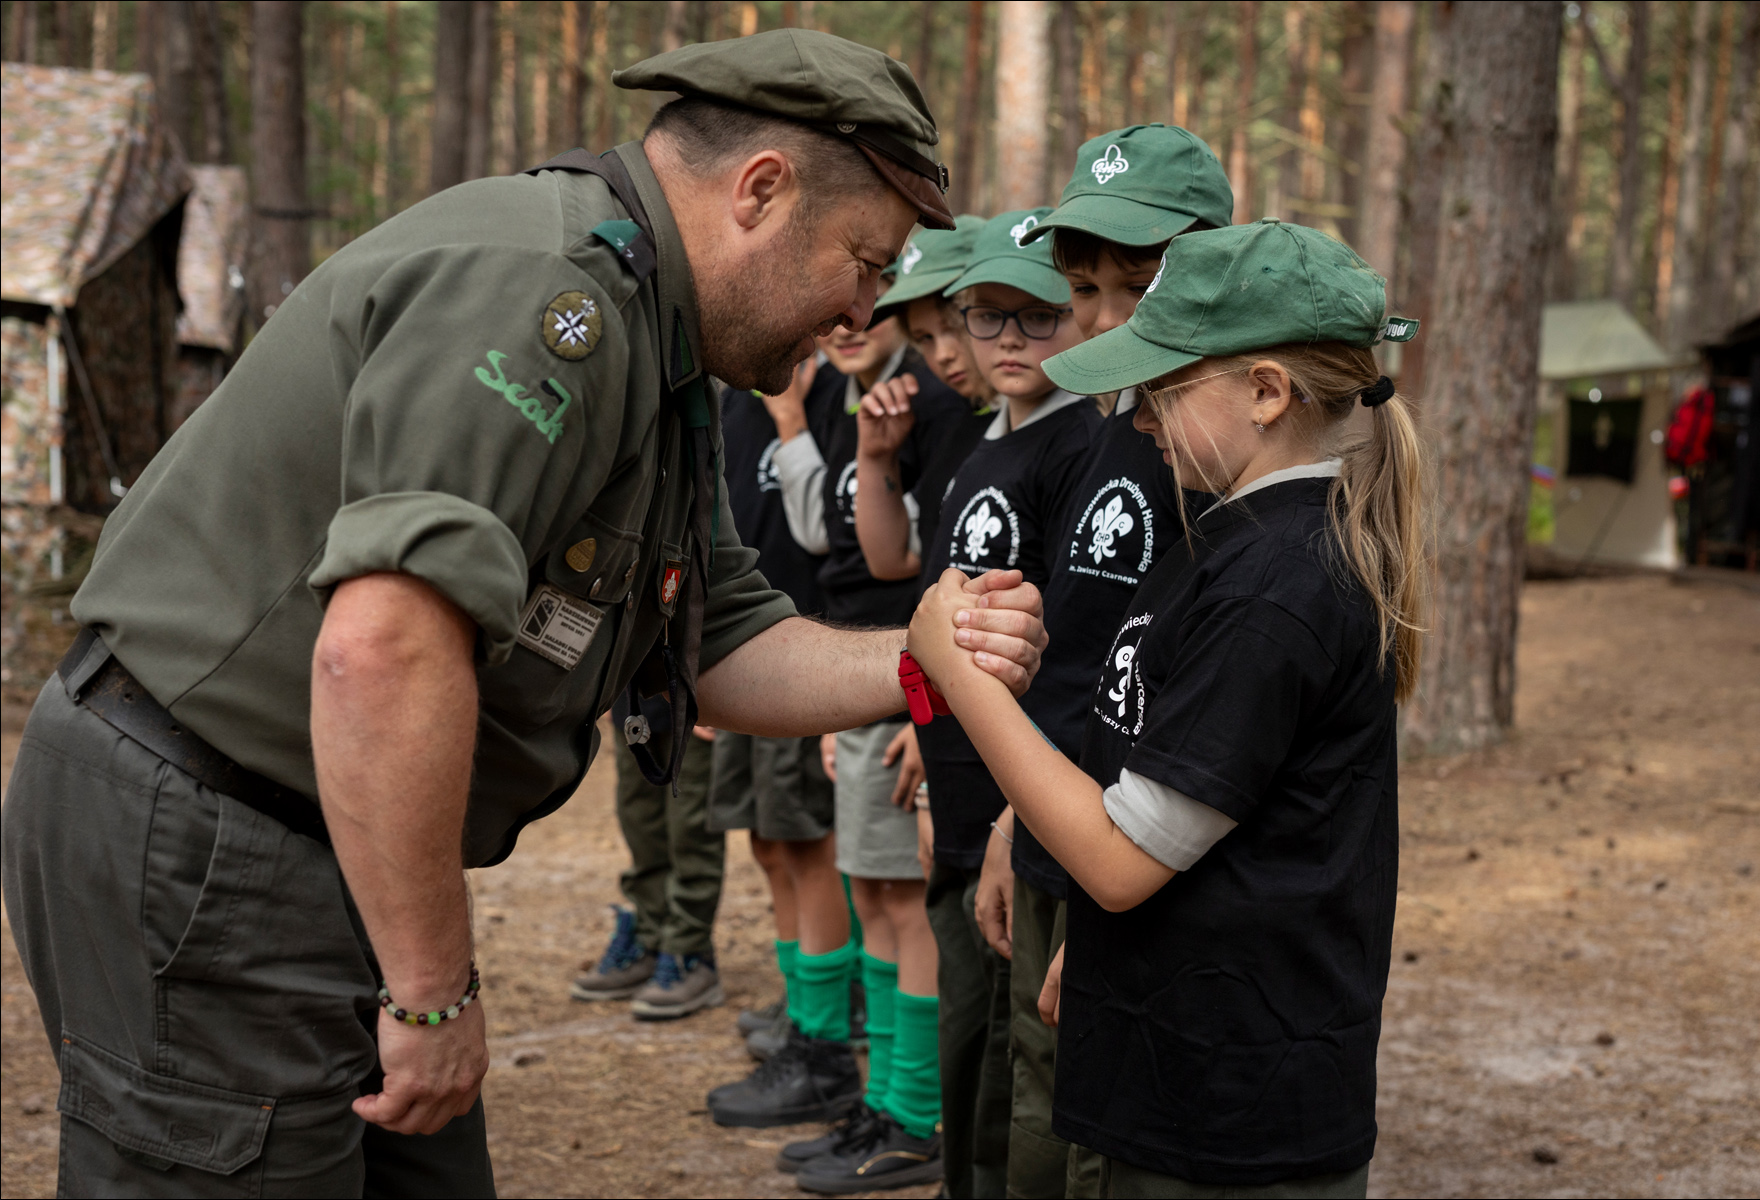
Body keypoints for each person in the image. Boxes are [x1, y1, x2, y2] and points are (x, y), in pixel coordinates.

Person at [0, 30, 1050, 1198]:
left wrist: (922, 656)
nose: (866, 306)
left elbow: (719, 636)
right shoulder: (550, 297)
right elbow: (385, 646)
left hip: (321, 843)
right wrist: (429, 992)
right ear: (761, 191)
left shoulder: (659, 348)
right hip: (214, 837)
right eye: (864, 260)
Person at [905, 220, 1425, 1200]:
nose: (1135, 416)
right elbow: (1172, 802)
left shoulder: (1277, 587)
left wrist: (962, 679)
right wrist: (1108, 961)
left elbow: (1117, 860)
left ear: (1267, 392)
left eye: (1163, 387)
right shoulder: (1225, 541)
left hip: (1230, 1120)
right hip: (1177, 1058)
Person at [981, 123, 1233, 1199]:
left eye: (1139, 284)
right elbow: (1080, 660)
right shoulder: (1092, 433)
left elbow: (1196, 714)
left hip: (1132, 866)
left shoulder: (1211, 460)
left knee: (1100, 1135)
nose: (1104, 316)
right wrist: (1013, 822)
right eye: (1084, 289)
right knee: (1034, 1101)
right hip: (1055, 829)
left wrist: (1111, 912)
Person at [705, 272, 967, 1143]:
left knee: (868, 879)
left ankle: (871, 1081)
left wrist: (927, 706)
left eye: (894, 313)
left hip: (855, 665)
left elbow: (875, 556)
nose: (857, 324)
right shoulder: (844, 403)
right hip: (823, 665)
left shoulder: (917, 405)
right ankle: (846, 1061)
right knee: (799, 852)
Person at [774, 218, 999, 1195]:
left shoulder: (965, 420)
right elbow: (897, 557)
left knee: (905, 904)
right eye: (936, 329)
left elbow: (942, 591)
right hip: (888, 683)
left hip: (919, 702)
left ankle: (912, 1113)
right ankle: (886, 1100)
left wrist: (920, 708)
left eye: (953, 326)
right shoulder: (911, 414)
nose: (949, 350)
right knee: (875, 893)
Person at [884, 209, 1101, 1200]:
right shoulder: (979, 448)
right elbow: (934, 619)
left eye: (1036, 316)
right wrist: (929, 750)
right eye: (986, 316)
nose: (1009, 339)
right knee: (968, 1040)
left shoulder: (1081, 450)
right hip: (959, 790)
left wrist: (1016, 809)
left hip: (1021, 805)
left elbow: (1070, 658)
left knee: (1012, 1065)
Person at [705, 369, 846, 1056]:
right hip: (743, 654)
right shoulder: (734, 400)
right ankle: (799, 1000)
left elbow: (828, 537)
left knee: (807, 842)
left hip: (806, 654)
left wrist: (792, 422)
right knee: (766, 841)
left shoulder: (836, 397)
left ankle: (822, 1026)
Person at [568, 694, 725, 1022]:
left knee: (690, 831)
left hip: (696, 698)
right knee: (641, 825)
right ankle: (649, 941)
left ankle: (690, 952)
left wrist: (716, 703)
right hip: (633, 700)